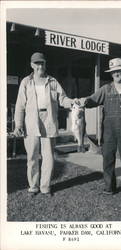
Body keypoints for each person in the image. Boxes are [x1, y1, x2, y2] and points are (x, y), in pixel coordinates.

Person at [79, 58, 121, 201]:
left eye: (118, 70)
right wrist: (83, 101)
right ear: (111, 74)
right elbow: (92, 100)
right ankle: (109, 187)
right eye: (114, 71)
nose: (116, 73)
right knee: (108, 159)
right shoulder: (105, 89)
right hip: (108, 131)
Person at [14, 52, 74, 197]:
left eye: (42, 63)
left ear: (45, 65)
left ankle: (45, 187)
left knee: (48, 156)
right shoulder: (26, 82)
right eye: (37, 63)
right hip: (31, 121)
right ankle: (33, 186)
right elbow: (19, 105)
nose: (40, 66)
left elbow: (63, 98)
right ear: (32, 65)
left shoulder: (53, 81)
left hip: (49, 120)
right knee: (32, 156)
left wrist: (72, 102)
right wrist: (18, 124)